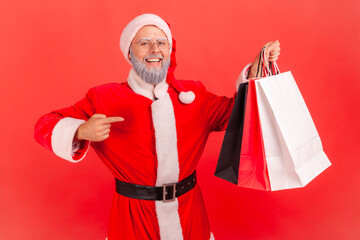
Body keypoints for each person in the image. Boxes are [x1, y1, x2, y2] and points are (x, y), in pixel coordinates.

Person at [34, 13, 280, 240]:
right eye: (144, 43)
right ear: (130, 53)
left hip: (190, 214)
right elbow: (44, 125)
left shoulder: (194, 95)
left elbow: (238, 113)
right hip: (132, 218)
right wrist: (80, 131)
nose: (155, 50)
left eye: (161, 43)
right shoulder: (103, 98)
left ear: (169, 50)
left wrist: (258, 69)